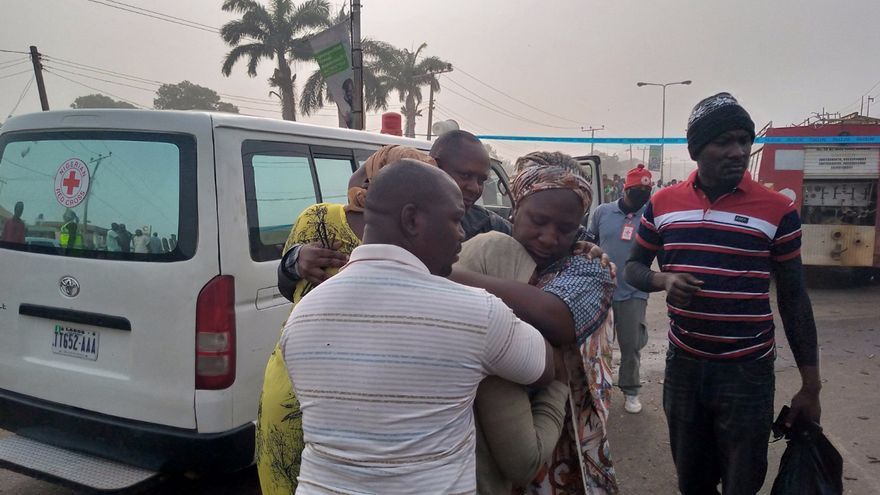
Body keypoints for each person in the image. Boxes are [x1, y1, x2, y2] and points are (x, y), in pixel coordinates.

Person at [280, 160, 554, 494]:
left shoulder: (302, 316)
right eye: (454, 219)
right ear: (412, 219)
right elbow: (543, 369)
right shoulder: (475, 312)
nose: (462, 233)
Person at [624, 92, 821, 494]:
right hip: (685, 366)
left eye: (744, 141)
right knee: (692, 481)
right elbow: (633, 268)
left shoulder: (777, 210)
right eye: (724, 141)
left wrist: (810, 385)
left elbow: (795, 299)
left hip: (746, 370)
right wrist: (664, 281)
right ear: (697, 149)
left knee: (742, 481)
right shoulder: (662, 204)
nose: (738, 152)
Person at [257, 145, 438, 495]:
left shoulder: (420, 236)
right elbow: (289, 286)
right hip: (318, 383)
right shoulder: (323, 218)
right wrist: (294, 261)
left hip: (351, 387)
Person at [453, 152, 617, 494]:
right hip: (493, 432)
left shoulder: (588, 267)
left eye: (565, 228)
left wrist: (443, 273)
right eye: (538, 221)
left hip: (559, 435)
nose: (549, 237)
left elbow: (554, 318)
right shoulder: (499, 244)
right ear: (515, 212)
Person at [277, 130, 512, 293]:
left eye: (482, 180)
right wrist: (295, 262)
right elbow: (291, 288)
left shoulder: (489, 226)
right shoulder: (335, 221)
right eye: (465, 175)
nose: (475, 188)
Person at [588, 163, 653, 414]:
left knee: (631, 345)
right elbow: (589, 241)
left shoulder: (650, 216)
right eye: (638, 190)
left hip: (634, 291)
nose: (642, 196)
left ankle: (631, 390)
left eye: (646, 192)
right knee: (599, 347)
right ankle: (597, 390)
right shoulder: (602, 212)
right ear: (626, 189)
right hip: (602, 290)